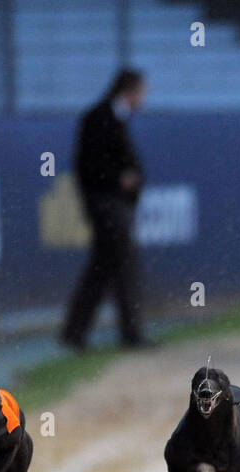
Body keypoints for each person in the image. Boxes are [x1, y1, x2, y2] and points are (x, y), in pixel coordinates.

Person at [60, 69, 148, 349]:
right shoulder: (99, 117)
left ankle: (75, 331)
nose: (144, 99)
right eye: (142, 92)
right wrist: (119, 179)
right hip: (105, 204)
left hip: (112, 204)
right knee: (124, 263)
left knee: (102, 267)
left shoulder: (115, 118)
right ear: (130, 90)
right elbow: (88, 166)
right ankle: (130, 334)